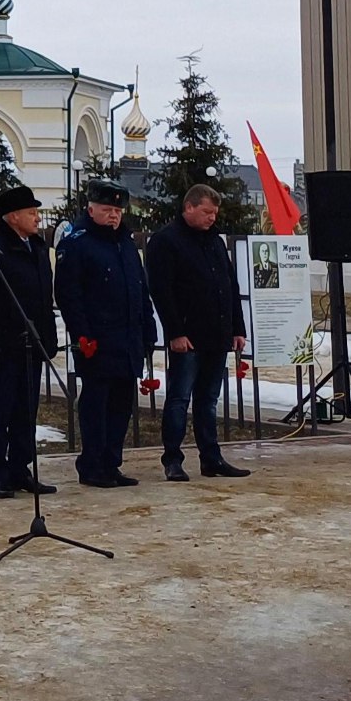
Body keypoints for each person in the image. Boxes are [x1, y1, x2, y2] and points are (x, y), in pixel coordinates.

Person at [145, 183, 252, 482]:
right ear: (189, 207)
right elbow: (162, 291)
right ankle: (173, 459)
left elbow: (230, 286)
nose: (211, 218)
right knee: (179, 399)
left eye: (214, 213)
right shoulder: (166, 241)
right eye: (206, 211)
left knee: (208, 400)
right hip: (188, 337)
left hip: (217, 335)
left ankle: (211, 458)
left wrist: (237, 328)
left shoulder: (215, 241)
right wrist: (175, 332)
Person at [56, 179, 151, 487]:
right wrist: (82, 334)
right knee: (96, 404)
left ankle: (112, 463)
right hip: (97, 340)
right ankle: (92, 464)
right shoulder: (78, 242)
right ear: (91, 208)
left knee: (122, 405)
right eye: (107, 209)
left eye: (117, 210)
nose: (113, 216)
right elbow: (69, 294)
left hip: (127, 339)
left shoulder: (124, 242)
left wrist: (147, 329)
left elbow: (139, 289)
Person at [0, 181, 56, 500]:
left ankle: (21, 468)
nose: (37, 218)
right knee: (2, 411)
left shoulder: (38, 247)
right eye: (32, 213)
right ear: (12, 216)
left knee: (26, 412)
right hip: (4, 347)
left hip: (33, 345)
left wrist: (49, 338)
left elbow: (46, 297)